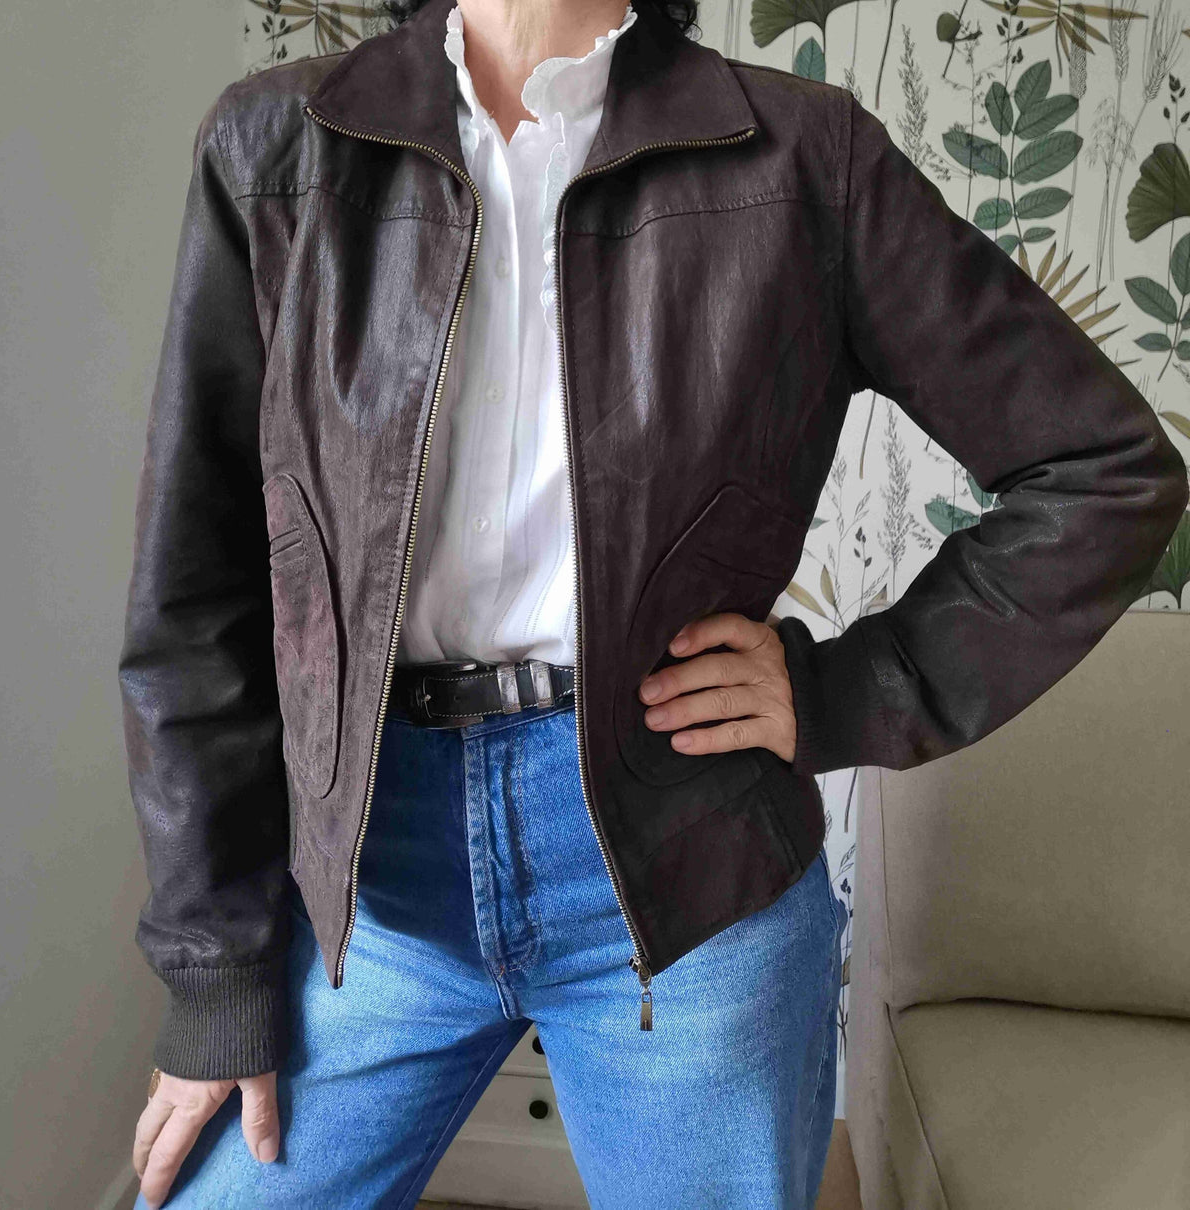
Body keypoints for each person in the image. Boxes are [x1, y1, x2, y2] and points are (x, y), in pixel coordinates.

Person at [117, 0, 1188, 1206]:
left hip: (691, 884)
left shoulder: (801, 158)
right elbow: (194, 597)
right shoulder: (275, 149)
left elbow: (1106, 468)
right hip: (367, 885)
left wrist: (848, 688)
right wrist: (213, 972)